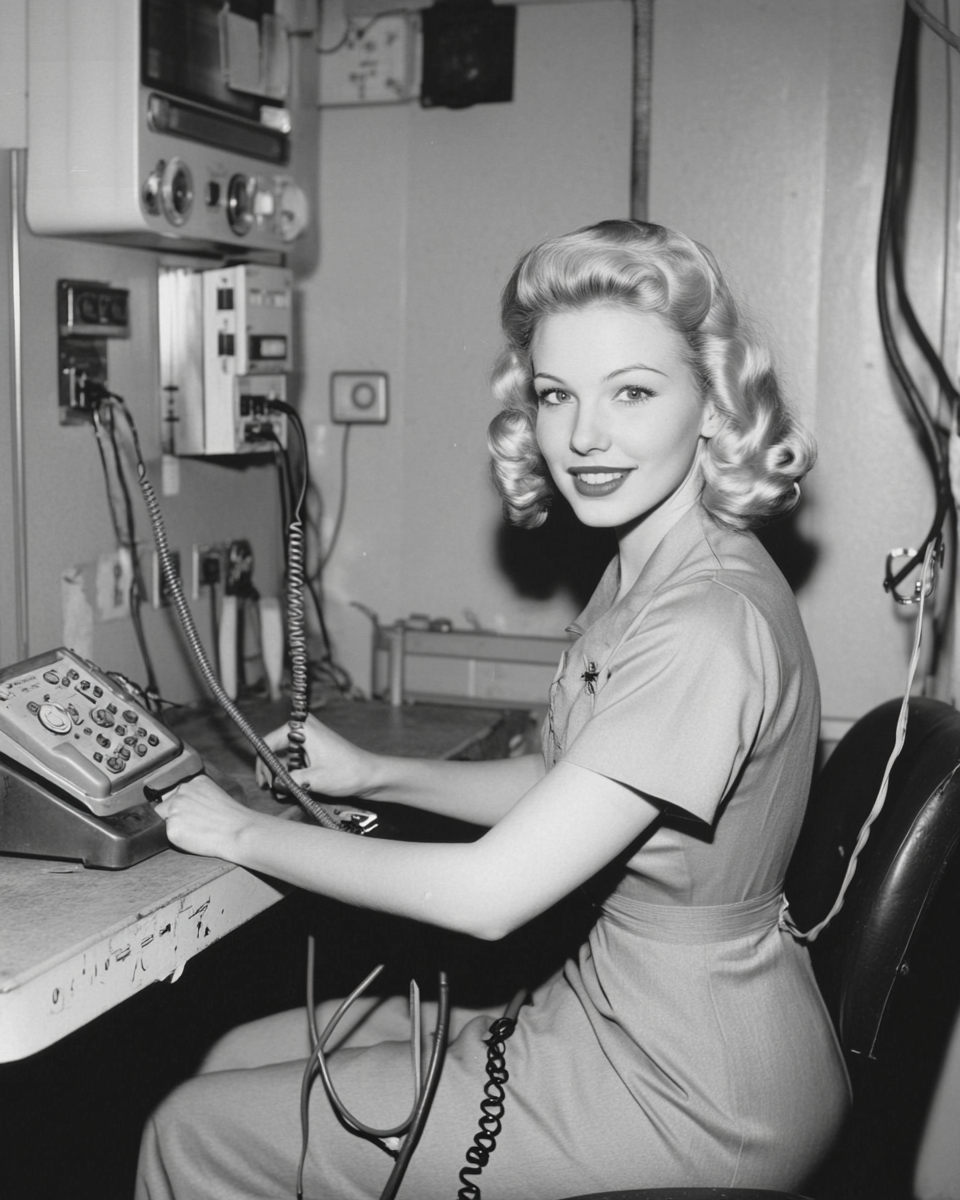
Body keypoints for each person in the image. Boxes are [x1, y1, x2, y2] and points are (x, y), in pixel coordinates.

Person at [136, 219, 850, 1200]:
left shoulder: (707, 622)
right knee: (230, 1060)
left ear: (716, 407)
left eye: (633, 392)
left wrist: (243, 834)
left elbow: (489, 895)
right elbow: (571, 784)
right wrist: (381, 773)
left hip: (691, 1090)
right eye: (558, 395)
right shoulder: (650, 563)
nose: (585, 437)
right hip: (623, 1012)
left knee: (193, 1132)